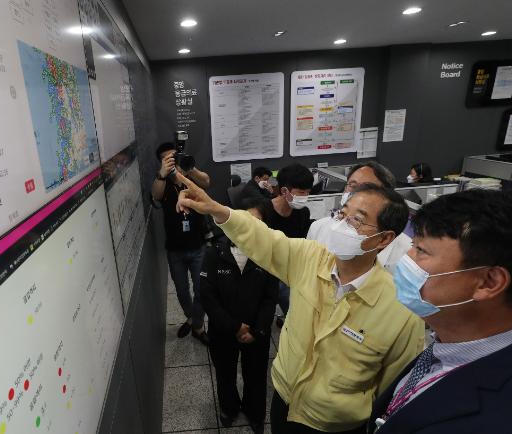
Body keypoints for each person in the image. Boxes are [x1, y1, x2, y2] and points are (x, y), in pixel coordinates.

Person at [176, 177, 425, 434]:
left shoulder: (401, 311)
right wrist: (218, 209)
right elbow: (266, 240)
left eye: (356, 220)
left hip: (335, 424)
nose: (341, 226)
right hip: (285, 400)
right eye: (342, 215)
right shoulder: (311, 258)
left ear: (384, 239)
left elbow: (394, 389)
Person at [366, 190, 512, 434]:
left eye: (421, 250)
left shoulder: (511, 418)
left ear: (489, 282)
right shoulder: (449, 346)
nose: (406, 259)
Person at [201, 197, 279, 434]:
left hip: (257, 332)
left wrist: (258, 330)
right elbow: (208, 297)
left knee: (255, 375)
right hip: (223, 330)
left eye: (257, 221)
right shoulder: (215, 252)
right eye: (245, 219)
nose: (249, 226)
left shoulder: (269, 253)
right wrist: (234, 326)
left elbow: (270, 298)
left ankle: (255, 413)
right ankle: (228, 408)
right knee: (225, 373)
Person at [151, 141, 211, 345]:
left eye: (174, 156)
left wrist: (188, 167)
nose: (172, 160)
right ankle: (191, 318)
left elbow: (206, 182)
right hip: (175, 249)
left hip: (198, 246)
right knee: (182, 289)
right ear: (161, 162)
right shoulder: (162, 181)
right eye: (167, 158)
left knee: (201, 289)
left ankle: (198, 326)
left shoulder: (189, 177)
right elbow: (156, 195)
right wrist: (162, 173)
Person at [307, 162, 413, 275]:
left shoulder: (407, 249)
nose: (356, 194)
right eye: (352, 186)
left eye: (367, 189)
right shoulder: (319, 227)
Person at [264, 163, 313, 327]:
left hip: (288, 270)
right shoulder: (264, 211)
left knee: (293, 311)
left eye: (308, 192)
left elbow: (301, 242)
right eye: (301, 192)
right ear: (284, 191)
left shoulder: (302, 212)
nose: (305, 196)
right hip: (265, 269)